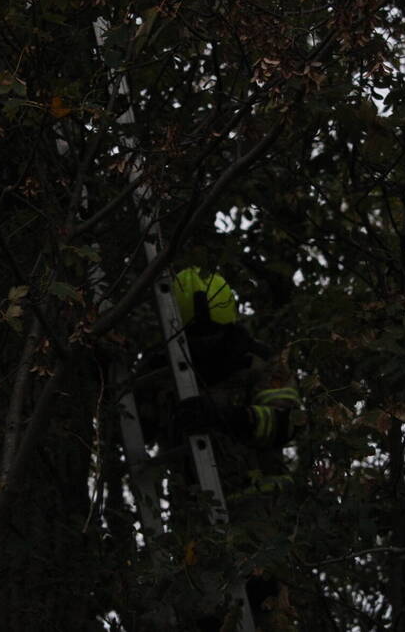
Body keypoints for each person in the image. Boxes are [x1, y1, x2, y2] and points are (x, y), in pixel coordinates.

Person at [136, 267, 302, 631]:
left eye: (214, 336)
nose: (206, 346)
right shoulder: (159, 370)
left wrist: (225, 416)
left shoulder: (258, 361)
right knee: (206, 619)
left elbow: (286, 423)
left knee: (265, 611)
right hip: (197, 521)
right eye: (196, 337)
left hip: (262, 514)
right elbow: (136, 429)